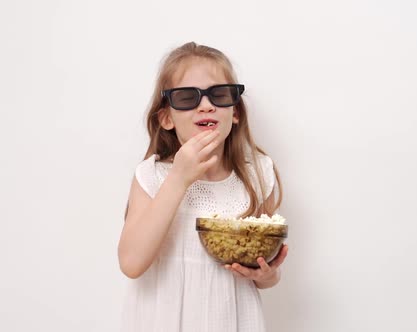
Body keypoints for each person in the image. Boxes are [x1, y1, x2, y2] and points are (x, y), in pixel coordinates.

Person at [118, 41, 289, 332]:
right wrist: (179, 178)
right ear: (167, 118)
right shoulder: (153, 176)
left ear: (234, 113)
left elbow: (263, 275)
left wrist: (267, 275)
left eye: (219, 95)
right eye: (187, 97)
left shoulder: (258, 176)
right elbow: (131, 263)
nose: (205, 105)